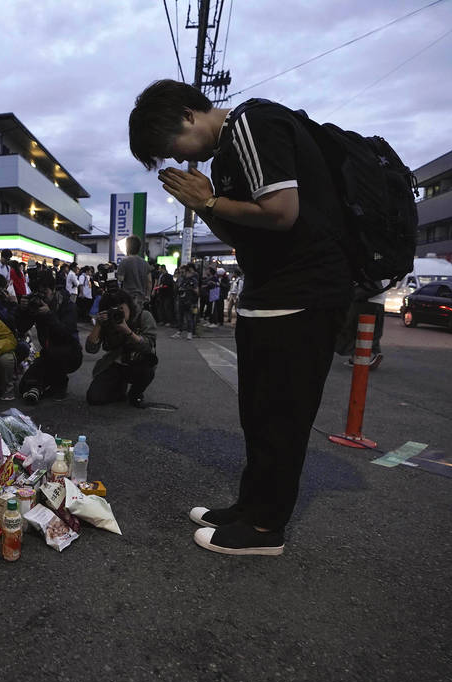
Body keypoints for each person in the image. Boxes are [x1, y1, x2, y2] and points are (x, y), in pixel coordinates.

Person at [132, 78, 352, 556]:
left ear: (190, 116)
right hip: (271, 293)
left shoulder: (252, 123)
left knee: (280, 417)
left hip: (302, 294)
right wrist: (206, 204)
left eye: (175, 147)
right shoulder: (228, 150)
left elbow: (281, 211)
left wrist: (209, 201)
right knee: (258, 414)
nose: (184, 160)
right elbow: (243, 225)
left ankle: (265, 529)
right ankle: (249, 508)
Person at [16, 270, 83, 404]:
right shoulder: (37, 303)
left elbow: (66, 333)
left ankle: (60, 382)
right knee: (24, 385)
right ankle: (38, 387)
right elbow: (22, 328)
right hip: (48, 353)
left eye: (44, 292)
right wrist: (23, 310)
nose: (42, 297)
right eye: (38, 292)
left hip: (70, 353)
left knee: (55, 356)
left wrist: (49, 314)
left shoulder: (67, 304)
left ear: (53, 289)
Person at [85, 289, 158, 407]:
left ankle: (135, 394)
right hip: (114, 364)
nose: (117, 313)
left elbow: (148, 347)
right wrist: (98, 325)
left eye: (120, 309)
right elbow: (91, 349)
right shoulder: (107, 321)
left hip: (137, 363)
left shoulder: (143, 316)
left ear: (128, 305)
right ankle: (119, 389)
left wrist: (128, 332)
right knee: (94, 398)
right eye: (112, 310)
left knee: (148, 368)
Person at [116, 236, 151, 310]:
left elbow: (120, 279)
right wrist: (148, 295)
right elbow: (149, 281)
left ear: (127, 247)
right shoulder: (145, 263)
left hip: (128, 298)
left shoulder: (124, 262)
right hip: (141, 298)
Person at [171, 263, 199, 339]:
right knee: (180, 316)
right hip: (181, 300)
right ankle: (179, 331)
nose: (181, 274)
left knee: (189, 317)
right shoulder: (182, 279)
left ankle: (190, 333)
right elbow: (178, 287)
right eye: (180, 272)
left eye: (183, 272)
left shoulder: (193, 279)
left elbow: (197, 291)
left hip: (189, 301)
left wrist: (189, 289)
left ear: (187, 271)